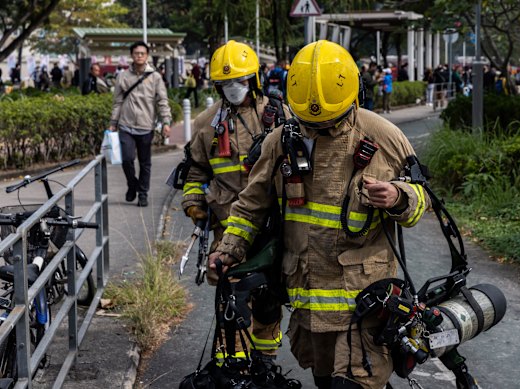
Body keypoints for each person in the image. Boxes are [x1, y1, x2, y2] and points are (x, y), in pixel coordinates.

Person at [209, 40, 430, 389]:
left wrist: (400, 196)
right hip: (310, 301)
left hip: (364, 304)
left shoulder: (383, 137)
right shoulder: (281, 141)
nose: (318, 129)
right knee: (325, 380)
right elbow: (251, 205)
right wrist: (228, 249)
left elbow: (424, 201)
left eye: (329, 121)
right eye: (311, 123)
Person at [181, 40, 290, 374]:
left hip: (273, 225)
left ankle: (266, 359)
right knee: (233, 296)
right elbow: (196, 170)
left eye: (240, 81)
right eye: (226, 83)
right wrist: (193, 203)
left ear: (253, 79)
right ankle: (234, 363)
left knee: (269, 298)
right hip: (227, 226)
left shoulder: (275, 114)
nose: (234, 88)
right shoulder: (205, 124)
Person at [109, 41, 172, 207]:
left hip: (146, 126)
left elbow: (162, 101)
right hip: (126, 125)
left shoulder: (155, 77)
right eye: (136, 53)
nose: (139, 56)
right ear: (131, 55)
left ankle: (143, 193)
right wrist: (113, 123)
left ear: (147, 56)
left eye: (142, 53)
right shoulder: (123, 76)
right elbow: (117, 102)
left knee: (145, 163)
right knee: (127, 159)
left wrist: (166, 122)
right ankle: (132, 184)